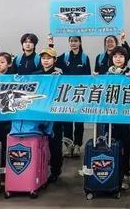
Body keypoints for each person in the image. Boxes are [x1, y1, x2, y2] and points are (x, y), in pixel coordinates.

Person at [52, 35, 91, 158]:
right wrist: (51, 44)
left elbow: (88, 76)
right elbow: (51, 60)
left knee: (79, 121)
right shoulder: (65, 56)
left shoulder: (84, 58)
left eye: (75, 41)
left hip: (79, 94)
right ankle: (68, 146)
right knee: (67, 121)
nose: (73, 43)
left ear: (80, 42)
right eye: (71, 41)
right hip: (66, 94)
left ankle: (77, 145)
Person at [33, 47, 64, 182]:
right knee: (38, 143)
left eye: (49, 58)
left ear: (54, 60)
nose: (45, 61)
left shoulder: (60, 75)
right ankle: (38, 170)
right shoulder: (35, 75)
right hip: (38, 114)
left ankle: (56, 171)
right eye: (43, 58)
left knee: (55, 144)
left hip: (54, 116)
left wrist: (60, 78)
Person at [106, 46, 130, 190]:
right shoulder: (107, 74)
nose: (118, 59)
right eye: (115, 56)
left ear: (125, 59)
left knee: (125, 147)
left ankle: (125, 174)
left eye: (121, 56)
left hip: (125, 118)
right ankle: (112, 173)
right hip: (110, 117)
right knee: (111, 145)